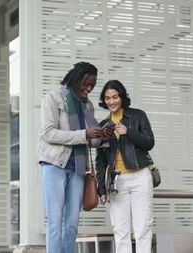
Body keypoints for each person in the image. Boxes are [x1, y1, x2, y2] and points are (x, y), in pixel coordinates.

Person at [38, 62, 111, 253]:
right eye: (86, 83)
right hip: (54, 164)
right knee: (55, 220)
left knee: (71, 223)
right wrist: (84, 134)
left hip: (78, 168)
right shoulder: (53, 98)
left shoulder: (88, 105)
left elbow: (89, 141)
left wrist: (102, 138)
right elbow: (49, 134)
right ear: (75, 78)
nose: (89, 88)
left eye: (93, 84)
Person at [95, 80, 155, 253]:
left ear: (121, 97)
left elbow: (149, 142)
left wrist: (128, 131)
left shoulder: (137, 116)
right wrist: (101, 188)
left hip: (140, 177)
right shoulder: (103, 125)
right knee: (120, 231)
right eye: (107, 98)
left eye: (115, 97)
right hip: (117, 181)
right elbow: (100, 160)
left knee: (143, 228)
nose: (111, 101)